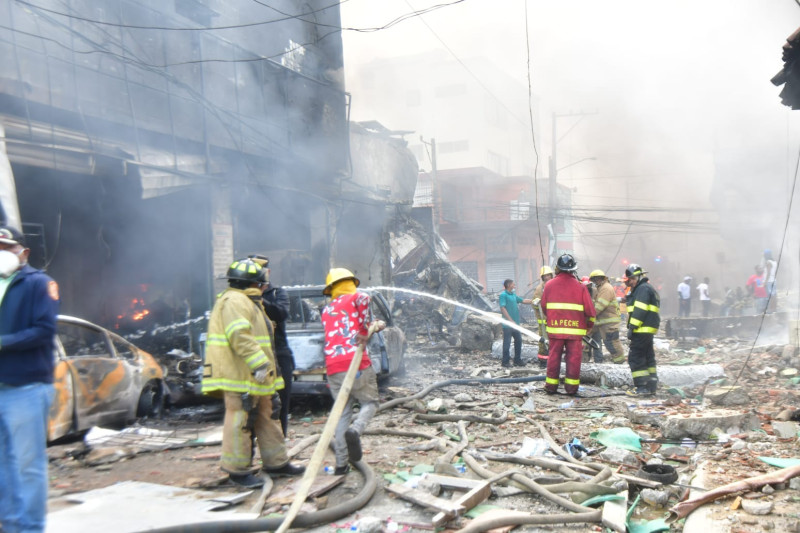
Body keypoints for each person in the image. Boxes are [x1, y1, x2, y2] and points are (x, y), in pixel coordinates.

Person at [202, 258, 304, 488]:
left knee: (269, 418)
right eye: (262, 283)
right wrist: (259, 364)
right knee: (241, 421)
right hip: (240, 377)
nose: (264, 287)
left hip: (256, 377)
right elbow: (240, 336)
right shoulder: (234, 302)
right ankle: (237, 472)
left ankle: (277, 463)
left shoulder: (251, 302)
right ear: (255, 284)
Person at [0, 226, 60, 533]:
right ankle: (9, 525)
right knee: (3, 466)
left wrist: (3, 342)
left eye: (6, 247)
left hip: (27, 386)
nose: (1, 252)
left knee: (27, 465)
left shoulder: (39, 283)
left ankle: (31, 528)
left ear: (22, 252)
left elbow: (43, 330)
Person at [321, 268, 385, 475]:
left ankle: (341, 465)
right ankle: (355, 430)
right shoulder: (357, 297)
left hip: (333, 367)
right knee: (370, 402)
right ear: (350, 283)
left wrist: (372, 325)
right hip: (355, 363)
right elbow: (365, 298)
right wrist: (364, 331)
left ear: (332, 288)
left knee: (341, 414)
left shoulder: (327, 309)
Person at [250, 255, 295, 437]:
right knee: (253, 406)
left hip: (279, 356)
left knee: (280, 404)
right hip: (254, 357)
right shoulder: (241, 299)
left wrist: (259, 299)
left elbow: (281, 313)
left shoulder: (277, 293)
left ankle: (279, 442)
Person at [541, 254, 596, 395]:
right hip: (575, 332)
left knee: (554, 357)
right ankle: (571, 389)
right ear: (573, 270)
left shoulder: (549, 285)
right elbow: (590, 313)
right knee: (573, 359)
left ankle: (551, 387)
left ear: (557, 268)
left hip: (555, 330)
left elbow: (544, 307)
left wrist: (553, 319)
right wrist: (587, 327)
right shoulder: (581, 287)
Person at [624, 263, 661, 396]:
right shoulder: (645, 288)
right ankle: (651, 386)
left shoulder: (642, 289)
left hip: (641, 329)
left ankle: (641, 387)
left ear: (640, 277)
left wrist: (632, 327)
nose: (631, 281)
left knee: (635, 357)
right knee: (648, 357)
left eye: (633, 279)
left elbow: (640, 310)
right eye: (630, 279)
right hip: (647, 330)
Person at [588, 269, 626, 364]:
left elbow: (599, 306)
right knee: (610, 343)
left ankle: (620, 364)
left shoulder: (606, 288)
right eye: (594, 279)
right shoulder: (601, 288)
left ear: (602, 278)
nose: (596, 281)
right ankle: (618, 363)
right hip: (605, 322)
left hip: (609, 323)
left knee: (612, 343)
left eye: (597, 279)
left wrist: (588, 316)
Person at [499, 278, 533, 367]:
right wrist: (510, 320)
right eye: (513, 284)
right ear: (509, 285)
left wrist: (534, 301)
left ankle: (517, 360)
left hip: (516, 324)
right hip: (508, 325)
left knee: (518, 341)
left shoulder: (513, 294)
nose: (514, 286)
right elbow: (502, 308)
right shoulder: (503, 295)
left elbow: (523, 300)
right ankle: (505, 362)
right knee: (507, 343)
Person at [531, 266, 554, 368]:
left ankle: (553, 360)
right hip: (544, 320)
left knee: (554, 341)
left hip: (554, 320)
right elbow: (534, 303)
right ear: (542, 277)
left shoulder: (555, 285)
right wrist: (536, 303)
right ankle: (543, 362)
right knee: (543, 341)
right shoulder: (540, 288)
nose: (547, 277)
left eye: (548, 275)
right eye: (545, 276)